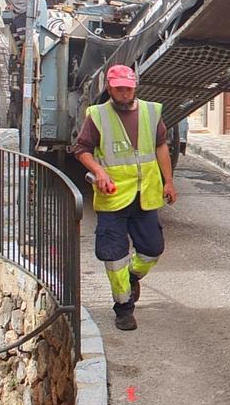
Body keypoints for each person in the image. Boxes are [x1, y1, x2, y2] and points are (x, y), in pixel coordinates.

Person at [74, 65, 178, 330]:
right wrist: (99, 171)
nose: (124, 93)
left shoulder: (151, 112)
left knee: (152, 250)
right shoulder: (97, 115)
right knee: (114, 255)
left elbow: (161, 146)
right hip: (114, 198)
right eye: (119, 88)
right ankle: (123, 308)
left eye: (128, 88)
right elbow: (82, 149)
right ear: (109, 88)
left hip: (146, 195)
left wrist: (168, 181)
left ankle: (132, 276)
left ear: (135, 87)